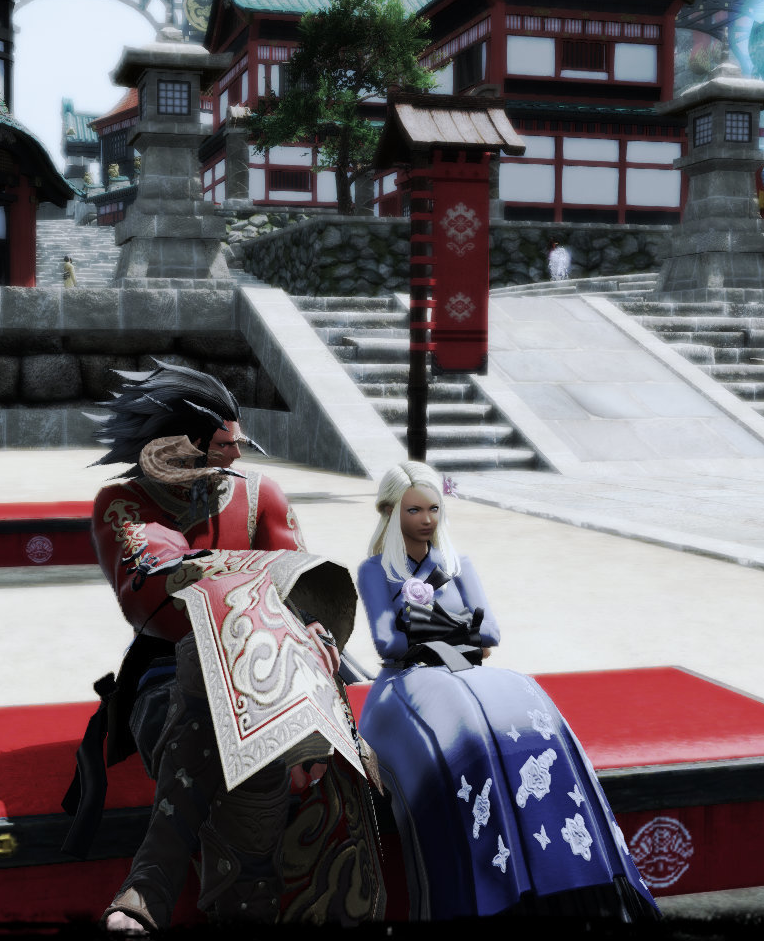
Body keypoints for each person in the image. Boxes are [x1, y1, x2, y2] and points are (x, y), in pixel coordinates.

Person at [65, 360, 382, 931]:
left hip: (280, 666)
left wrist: (308, 627)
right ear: (175, 444)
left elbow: (301, 582)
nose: (236, 455)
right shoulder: (123, 503)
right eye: (221, 444)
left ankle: (149, 886)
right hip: (167, 674)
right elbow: (156, 598)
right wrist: (244, 584)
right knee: (216, 702)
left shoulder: (262, 497)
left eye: (237, 442)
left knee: (268, 732)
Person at [355, 462, 659, 921]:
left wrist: (425, 625)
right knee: (464, 724)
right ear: (391, 512)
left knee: (525, 697)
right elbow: (388, 643)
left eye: (433, 508)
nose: (426, 520)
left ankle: (577, 877)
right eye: (413, 510)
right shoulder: (375, 571)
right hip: (406, 681)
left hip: (467, 670)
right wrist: (458, 629)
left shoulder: (458, 565)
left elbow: (491, 633)